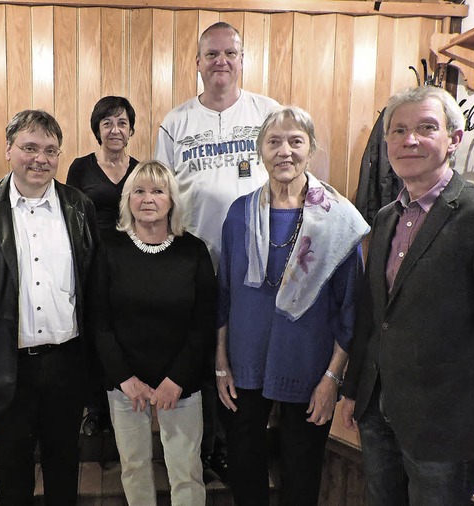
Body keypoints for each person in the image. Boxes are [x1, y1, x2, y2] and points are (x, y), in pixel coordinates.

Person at [341, 86, 474, 506]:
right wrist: (355, 392)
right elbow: (376, 316)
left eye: (426, 128)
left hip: (446, 421)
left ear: (454, 138)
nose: (409, 140)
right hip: (379, 411)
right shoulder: (385, 216)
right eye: (398, 130)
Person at [0, 110, 98, 506]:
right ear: (9, 149)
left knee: (65, 461)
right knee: (12, 465)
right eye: (29, 147)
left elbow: (94, 289)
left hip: (67, 361)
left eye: (50, 150)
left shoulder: (79, 206)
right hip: (7, 364)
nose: (40, 158)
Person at [216, 106, 369, 506]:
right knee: (245, 469)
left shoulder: (339, 220)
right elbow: (224, 295)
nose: (284, 151)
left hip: (309, 367)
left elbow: (349, 307)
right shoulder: (238, 214)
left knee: (301, 475)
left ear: (311, 149)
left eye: (295, 141)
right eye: (274, 141)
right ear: (260, 151)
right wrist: (220, 363)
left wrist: (332, 379)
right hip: (244, 365)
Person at [154, 21, 279, 480]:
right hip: (193, 261)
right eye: (212, 54)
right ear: (198, 63)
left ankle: (236, 447)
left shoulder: (269, 113)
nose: (221, 61)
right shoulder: (176, 121)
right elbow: (160, 193)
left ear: (242, 61)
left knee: (242, 360)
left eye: (230, 53)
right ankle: (199, 450)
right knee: (200, 356)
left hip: (257, 263)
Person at [92, 160, 216, 506]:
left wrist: (176, 379)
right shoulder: (108, 248)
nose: (148, 199)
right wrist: (124, 378)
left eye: (158, 191)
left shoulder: (193, 251)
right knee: (133, 467)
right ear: (127, 199)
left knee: (186, 469)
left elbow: (202, 323)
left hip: (180, 383)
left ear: (172, 200)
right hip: (126, 384)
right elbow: (99, 321)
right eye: (139, 191)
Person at [66, 95, 139, 436]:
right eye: (107, 122)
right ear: (97, 128)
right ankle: (95, 409)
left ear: (131, 129)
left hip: (130, 262)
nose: (115, 129)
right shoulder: (80, 167)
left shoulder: (140, 168)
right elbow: (70, 218)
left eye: (122, 122)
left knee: (122, 332)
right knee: (94, 333)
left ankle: (123, 397)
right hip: (90, 261)